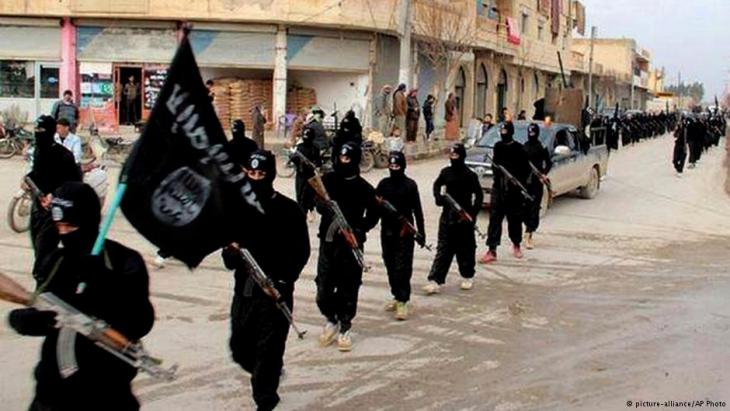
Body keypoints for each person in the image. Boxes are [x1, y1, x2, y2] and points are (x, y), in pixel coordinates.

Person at [8, 181, 155, 411]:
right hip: (53, 391)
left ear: (89, 221)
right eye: (60, 227)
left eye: (71, 226)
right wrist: (25, 319)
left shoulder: (124, 260)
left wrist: (105, 283)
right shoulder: (56, 261)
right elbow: (44, 304)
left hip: (107, 390)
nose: (64, 233)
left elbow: (141, 321)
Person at [222, 150, 310, 411]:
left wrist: (283, 280)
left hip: (275, 293)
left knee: (268, 351)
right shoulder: (237, 209)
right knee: (239, 348)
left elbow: (301, 251)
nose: (256, 178)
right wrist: (231, 251)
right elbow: (227, 258)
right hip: (245, 292)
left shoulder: (289, 210)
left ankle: (265, 399)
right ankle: (267, 372)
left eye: (261, 174)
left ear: (270, 175)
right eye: (251, 173)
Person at [315, 142, 379, 351]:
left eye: (348, 158)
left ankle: (345, 327)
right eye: (341, 157)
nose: (344, 161)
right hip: (328, 242)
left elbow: (374, 214)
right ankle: (331, 318)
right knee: (323, 287)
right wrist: (323, 205)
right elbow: (316, 200)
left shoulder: (364, 188)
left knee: (348, 288)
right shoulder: (328, 180)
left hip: (351, 246)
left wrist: (359, 229)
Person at [26, 115, 82, 281]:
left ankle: (43, 286)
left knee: (44, 256)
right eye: (36, 130)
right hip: (37, 209)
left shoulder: (63, 155)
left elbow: (75, 184)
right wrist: (27, 179)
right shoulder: (38, 151)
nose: (38, 134)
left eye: (41, 130)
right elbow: (37, 174)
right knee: (38, 249)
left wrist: (55, 195)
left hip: (54, 213)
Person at [423, 144, 482, 294]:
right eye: (451, 155)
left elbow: (479, 195)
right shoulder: (446, 172)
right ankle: (435, 280)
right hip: (447, 216)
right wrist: (439, 198)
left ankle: (468, 276)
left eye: (456, 155)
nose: (453, 158)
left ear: (462, 156)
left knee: (466, 249)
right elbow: (437, 185)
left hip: (464, 218)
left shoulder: (470, 175)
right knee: (443, 249)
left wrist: (473, 214)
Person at [375, 151, 425, 320]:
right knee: (390, 264)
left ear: (403, 166)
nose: (394, 168)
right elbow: (375, 206)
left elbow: (417, 210)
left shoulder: (410, 185)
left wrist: (421, 232)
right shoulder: (383, 184)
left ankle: (403, 300)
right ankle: (396, 295)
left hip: (405, 232)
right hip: (387, 231)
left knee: (402, 268)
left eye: (397, 166)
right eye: (391, 166)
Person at [480, 122, 530, 263]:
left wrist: (516, 181)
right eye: (502, 131)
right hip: (499, 189)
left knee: (514, 219)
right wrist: (500, 172)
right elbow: (495, 165)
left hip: (514, 191)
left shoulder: (519, 149)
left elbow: (526, 170)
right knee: (494, 220)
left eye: (505, 131)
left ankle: (516, 245)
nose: (503, 133)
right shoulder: (498, 146)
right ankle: (492, 250)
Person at [522, 123, 552, 249]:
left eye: (533, 133)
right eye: (530, 132)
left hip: (536, 183)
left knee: (534, 209)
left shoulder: (542, 147)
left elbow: (548, 163)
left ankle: (528, 234)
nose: (531, 135)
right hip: (524, 183)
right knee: (524, 209)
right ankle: (527, 230)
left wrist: (544, 174)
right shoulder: (524, 147)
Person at [292, 127, 322, 220]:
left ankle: (311, 210)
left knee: (310, 196)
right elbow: (295, 160)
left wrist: (314, 165)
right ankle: (302, 214)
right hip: (300, 175)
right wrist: (295, 159)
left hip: (310, 176)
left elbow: (318, 162)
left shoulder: (315, 148)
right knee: (300, 195)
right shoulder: (299, 147)